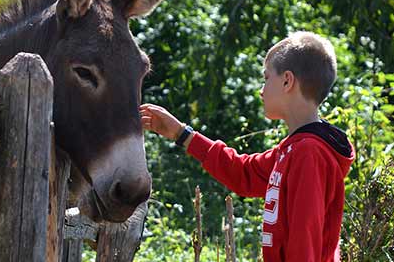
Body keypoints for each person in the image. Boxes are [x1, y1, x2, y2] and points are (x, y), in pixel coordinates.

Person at [140, 31, 355, 261]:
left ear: (287, 81)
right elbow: (243, 173)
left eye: (266, 77)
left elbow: (305, 242)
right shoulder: (294, 148)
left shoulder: (308, 153)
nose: (262, 90)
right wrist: (181, 134)